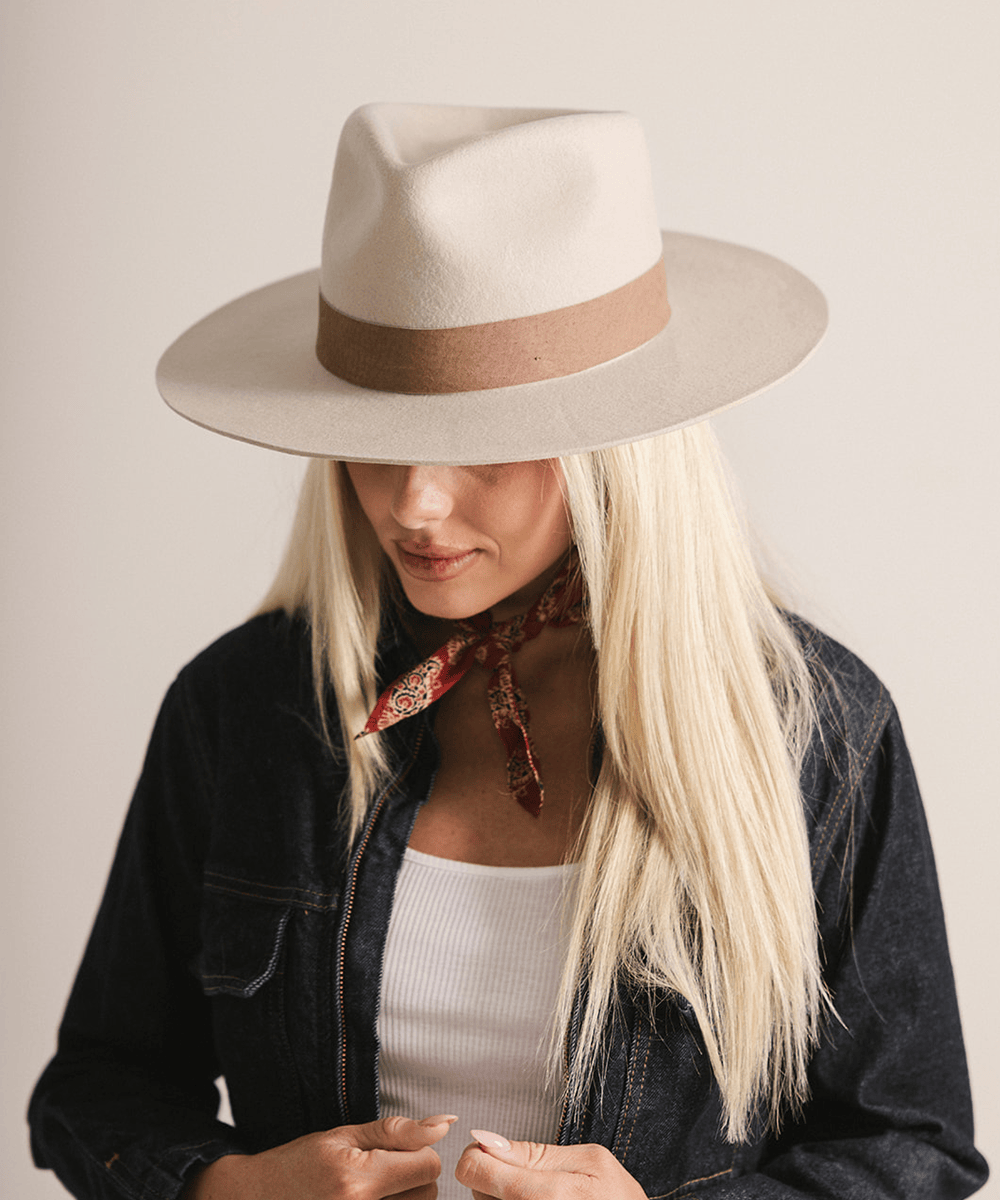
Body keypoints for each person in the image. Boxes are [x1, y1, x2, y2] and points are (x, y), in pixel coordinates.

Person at [29, 103, 988, 1200]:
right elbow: (95, 1088)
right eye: (378, 435)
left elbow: (911, 1146)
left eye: (479, 441)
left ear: (613, 441)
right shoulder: (244, 709)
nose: (415, 505)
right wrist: (229, 1188)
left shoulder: (812, 734)